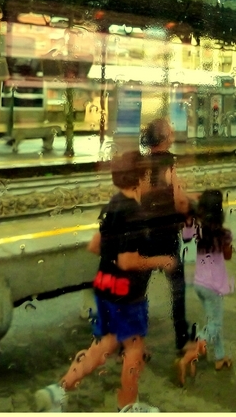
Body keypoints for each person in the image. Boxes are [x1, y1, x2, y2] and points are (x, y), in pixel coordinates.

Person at [35, 151, 176, 413]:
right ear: (140, 178)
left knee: (105, 345)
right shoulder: (134, 213)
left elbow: (94, 246)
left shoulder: (113, 204)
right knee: (134, 349)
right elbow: (127, 261)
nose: (150, 179)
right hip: (126, 295)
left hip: (105, 287)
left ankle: (59, 390)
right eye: (147, 174)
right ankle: (128, 407)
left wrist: (114, 253)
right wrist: (161, 260)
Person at [139, 118, 199, 356]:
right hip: (165, 234)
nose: (173, 134)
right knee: (178, 289)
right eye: (170, 131)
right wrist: (189, 208)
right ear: (163, 138)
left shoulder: (143, 163)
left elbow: (140, 196)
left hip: (145, 233)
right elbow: (178, 200)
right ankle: (182, 340)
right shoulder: (169, 162)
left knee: (138, 290)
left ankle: (131, 343)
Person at [185, 189, 233, 379]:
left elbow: (189, 206)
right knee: (215, 325)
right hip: (214, 287)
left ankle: (220, 357)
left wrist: (198, 202)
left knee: (213, 320)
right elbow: (228, 256)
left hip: (199, 284)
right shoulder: (224, 235)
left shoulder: (198, 230)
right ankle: (193, 350)